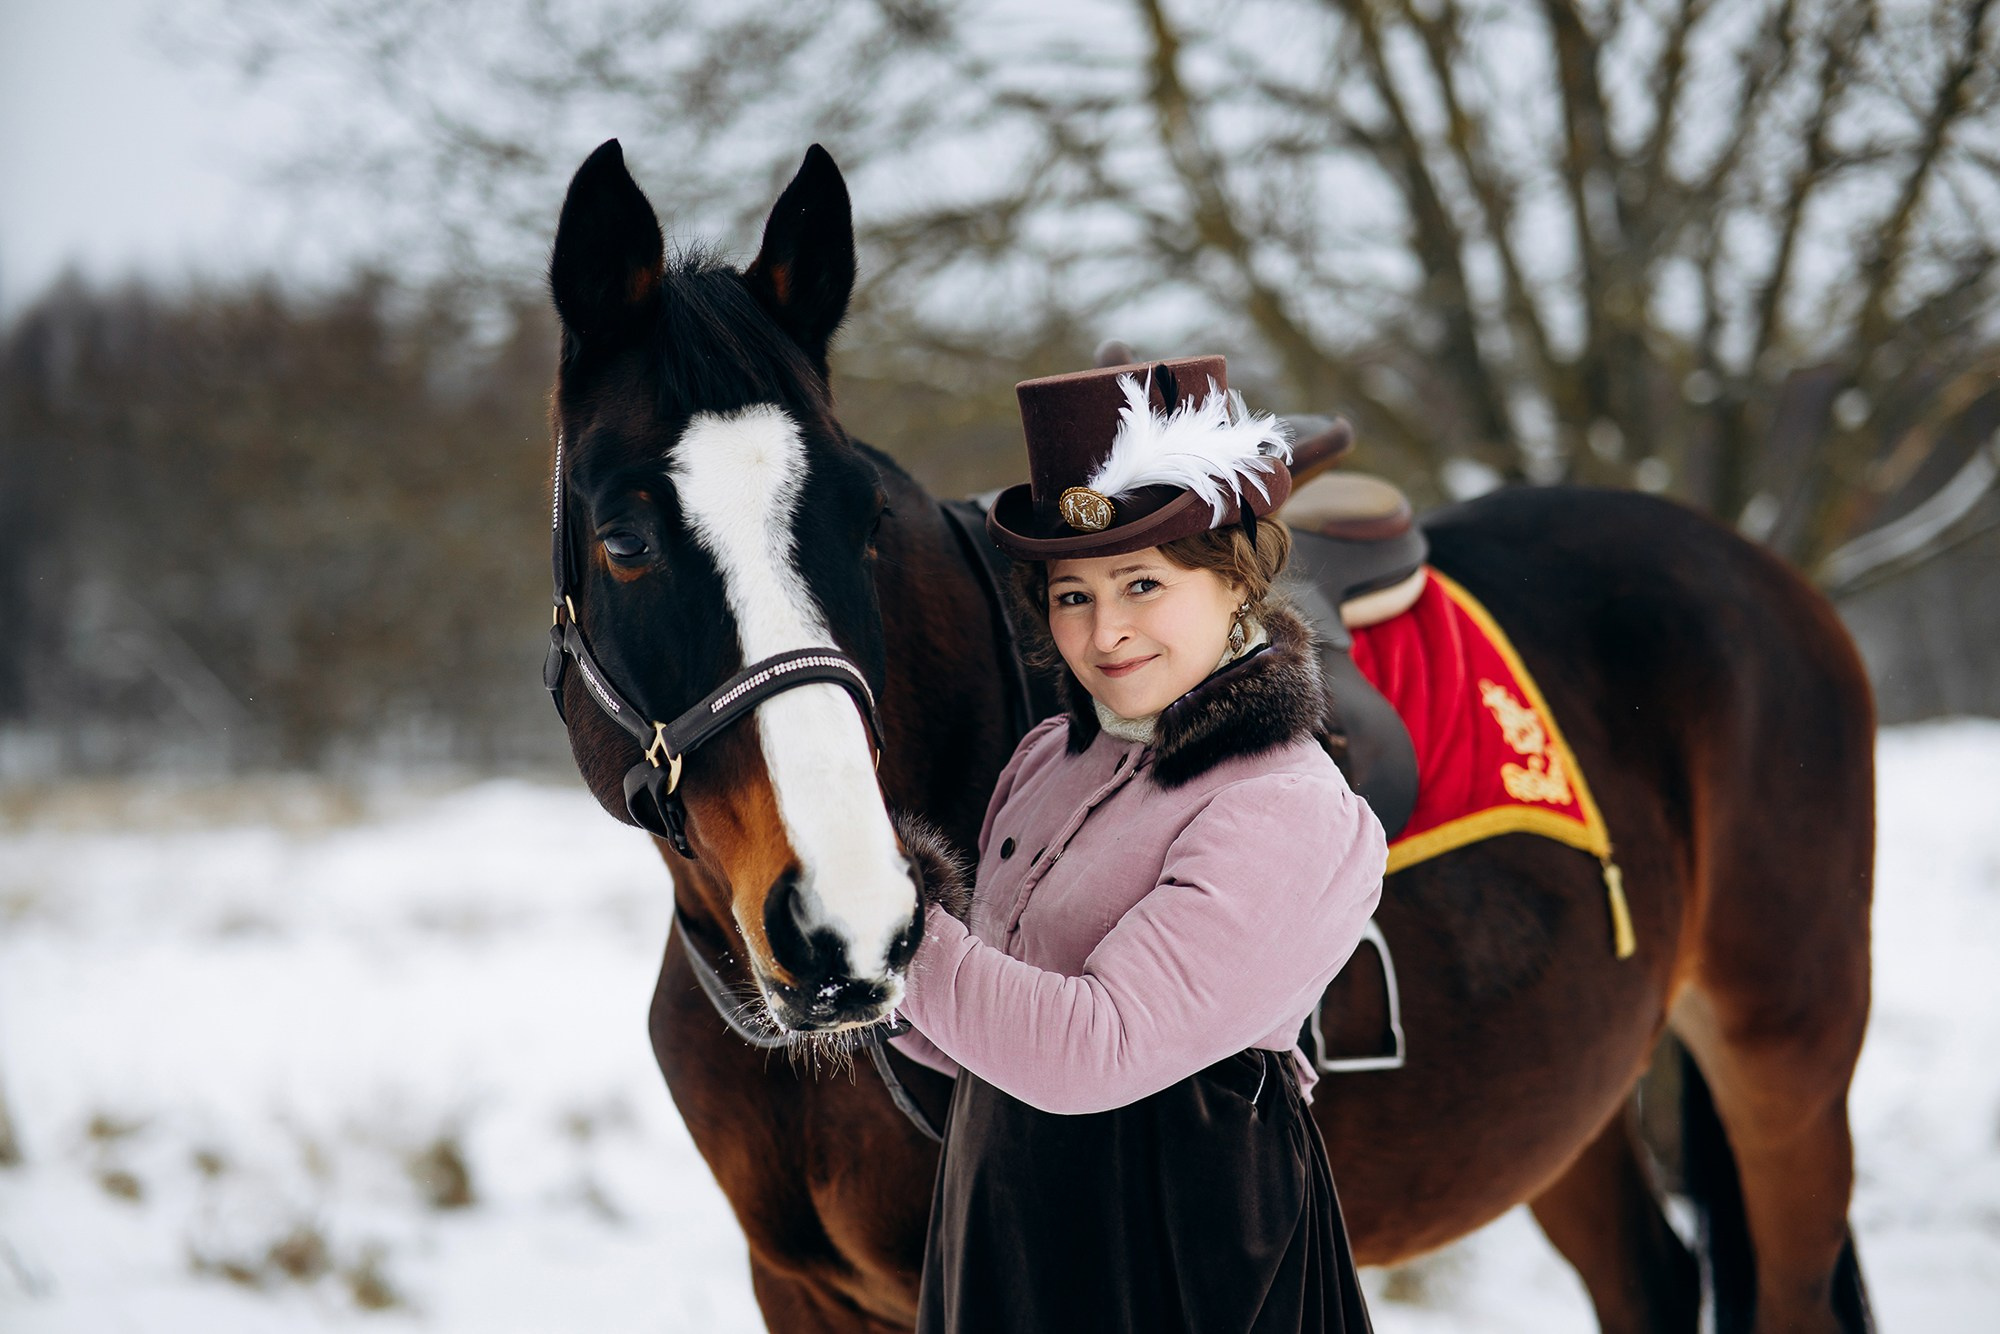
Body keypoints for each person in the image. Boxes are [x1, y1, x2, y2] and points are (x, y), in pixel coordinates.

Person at [888, 355, 1389, 1333]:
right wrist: (874, 992)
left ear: (1234, 582)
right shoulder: (1047, 756)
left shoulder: (1285, 804)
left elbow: (1092, 1049)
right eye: (1071, 594)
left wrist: (899, 929)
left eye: (1140, 584)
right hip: (1006, 1223)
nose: (1103, 630)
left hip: (1174, 1259)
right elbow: (995, 1036)